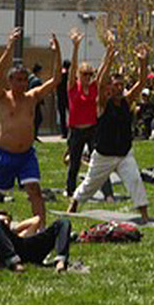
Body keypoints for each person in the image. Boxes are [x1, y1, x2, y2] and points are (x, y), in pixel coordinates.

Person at [0, 29, 63, 227]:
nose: (21, 83)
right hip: (5, 155)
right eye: (17, 79)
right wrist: (9, 47)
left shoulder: (32, 97)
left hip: (27, 155)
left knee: (34, 191)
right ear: (10, 81)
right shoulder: (2, 97)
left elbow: (56, 80)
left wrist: (57, 52)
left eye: (24, 79)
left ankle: (41, 228)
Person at [71, 36, 153, 221]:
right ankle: (73, 206)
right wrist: (108, 58)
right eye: (115, 85)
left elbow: (141, 83)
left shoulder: (126, 100)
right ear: (110, 87)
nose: (119, 88)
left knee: (135, 182)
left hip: (124, 154)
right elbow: (100, 84)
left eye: (121, 85)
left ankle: (145, 217)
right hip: (104, 155)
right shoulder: (102, 103)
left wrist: (142, 61)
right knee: (89, 185)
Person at [0, 211, 74, 272]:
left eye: (8, 221)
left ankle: (61, 261)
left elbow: (36, 220)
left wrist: (14, 230)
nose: (6, 222)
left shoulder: (18, 235)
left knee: (63, 222)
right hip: (10, 254)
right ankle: (14, 264)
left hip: (28, 248)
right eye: (2, 221)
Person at [64, 30, 102, 198]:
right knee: (74, 163)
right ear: (79, 75)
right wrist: (76, 47)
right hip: (76, 130)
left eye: (90, 74)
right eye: (84, 74)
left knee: (98, 160)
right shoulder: (73, 86)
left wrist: (109, 51)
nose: (87, 77)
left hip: (92, 129)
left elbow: (104, 71)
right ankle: (71, 190)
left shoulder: (94, 87)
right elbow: (72, 69)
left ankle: (99, 190)